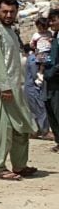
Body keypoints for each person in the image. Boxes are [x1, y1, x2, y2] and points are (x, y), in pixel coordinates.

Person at [0, 0, 37, 181]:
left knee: (21, 128)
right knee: (2, 130)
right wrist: (4, 87)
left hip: (16, 88)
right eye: (5, 11)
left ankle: (20, 165)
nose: (8, 15)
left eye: (12, 12)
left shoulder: (11, 31)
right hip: (3, 91)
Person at [44, 10, 59, 151]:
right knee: (52, 112)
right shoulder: (54, 38)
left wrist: (54, 70)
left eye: (54, 20)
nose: (51, 23)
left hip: (56, 79)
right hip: (50, 80)